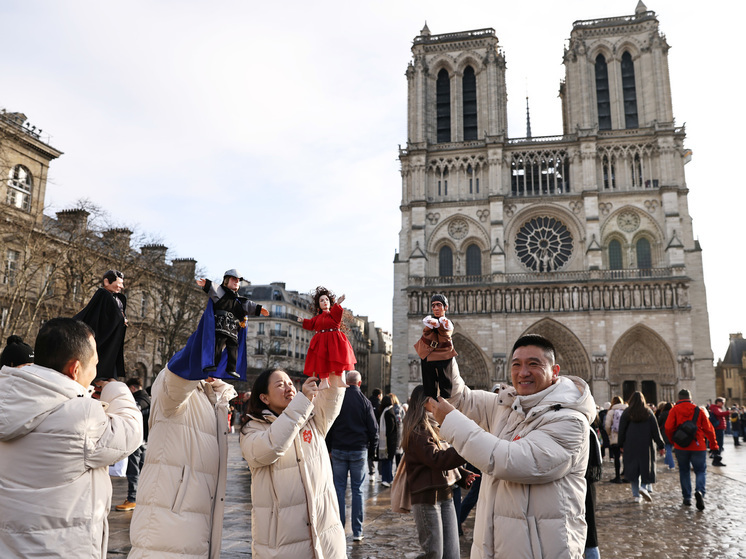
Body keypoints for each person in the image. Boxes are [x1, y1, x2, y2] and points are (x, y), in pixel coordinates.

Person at [425, 334, 596, 559]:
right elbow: (461, 400)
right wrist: (443, 351)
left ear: (555, 371)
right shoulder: (508, 407)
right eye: (517, 365)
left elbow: (509, 461)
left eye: (533, 364)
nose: (523, 372)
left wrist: (450, 421)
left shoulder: (570, 421)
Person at [0, 318, 142, 558]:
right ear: (75, 369)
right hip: (60, 550)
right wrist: (115, 388)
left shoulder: (7, 398)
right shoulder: (82, 417)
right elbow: (131, 431)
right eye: (95, 364)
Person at [127, 366, 237, 558]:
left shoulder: (217, 397)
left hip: (196, 525)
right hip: (167, 525)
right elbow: (178, 375)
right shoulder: (176, 381)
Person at [241, 368, 346, 558]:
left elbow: (332, 394)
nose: (289, 388)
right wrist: (302, 403)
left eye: (290, 383)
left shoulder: (312, 419)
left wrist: (335, 362)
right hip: (281, 543)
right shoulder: (252, 430)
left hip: (324, 535)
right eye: (280, 385)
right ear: (264, 398)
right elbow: (273, 447)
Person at [404, 385, 476, 559]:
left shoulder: (433, 425)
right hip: (427, 498)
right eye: (434, 399)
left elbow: (439, 457)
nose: (439, 402)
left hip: (445, 494)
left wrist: (462, 475)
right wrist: (466, 447)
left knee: (452, 553)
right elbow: (436, 459)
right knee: (434, 553)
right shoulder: (417, 431)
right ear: (425, 402)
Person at [326, 370, 378, 542]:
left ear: (346, 382)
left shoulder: (338, 400)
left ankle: (339, 528)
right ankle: (357, 531)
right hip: (359, 450)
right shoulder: (365, 402)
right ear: (360, 383)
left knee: (339, 489)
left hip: (339, 449)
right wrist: (372, 451)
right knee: (358, 491)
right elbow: (373, 430)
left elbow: (329, 425)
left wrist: (329, 448)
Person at [196, 269, 269, 379]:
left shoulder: (239, 301)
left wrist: (259, 309)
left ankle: (231, 368)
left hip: (233, 329)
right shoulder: (221, 293)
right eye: (234, 279)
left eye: (238, 281)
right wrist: (206, 284)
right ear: (226, 280)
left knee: (233, 347)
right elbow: (213, 288)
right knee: (218, 345)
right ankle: (212, 364)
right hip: (220, 326)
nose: (236, 282)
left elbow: (249, 305)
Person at [664, 388, 719, 510]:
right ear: (690, 397)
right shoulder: (698, 410)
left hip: (681, 446)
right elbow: (709, 429)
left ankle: (687, 498)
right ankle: (700, 492)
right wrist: (714, 445)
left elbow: (668, 427)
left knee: (684, 471)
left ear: (679, 398)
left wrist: (673, 440)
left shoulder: (674, 410)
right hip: (698, 445)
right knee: (700, 471)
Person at [298, 286, 356, 389]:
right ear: (318, 305)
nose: (325, 301)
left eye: (326, 299)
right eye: (321, 300)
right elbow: (311, 323)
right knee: (321, 361)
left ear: (330, 302)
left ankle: (340, 380)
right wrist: (303, 320)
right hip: (322, 341)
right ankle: (324, 381)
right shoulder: (317, 318)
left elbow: (337, 313)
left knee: (339, 358)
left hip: (334, 340)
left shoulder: (333, 314)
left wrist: (338, 303)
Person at [73, 269, 127, 379]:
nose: (121, 286)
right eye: (119, 283)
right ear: (107, 282)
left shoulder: (114, 298)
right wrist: (122, 319)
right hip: (102, 341)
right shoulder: (103, 295)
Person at [617, 391, 664, 503]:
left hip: (630, 444)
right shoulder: (648, 412)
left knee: (632, 469)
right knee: (646, 467)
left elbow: (621, 430)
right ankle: (643, 487)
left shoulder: (627, 412)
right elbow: (655, 431)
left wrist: (620, 444)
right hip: (645, 444)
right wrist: (661, 445)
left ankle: (637, 495)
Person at [115, 378, 151, 511]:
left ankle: (132, 499)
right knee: (142, 470)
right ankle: (141, 498)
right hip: (145, 439)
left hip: (137, 439)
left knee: (133, 471)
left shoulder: (139, 400)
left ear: (133, 388)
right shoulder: (148, 399)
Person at [414, 294, 458, 399]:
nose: (436, 308)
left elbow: (447, 329)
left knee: (445, 386)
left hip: (442, 354)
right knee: (429, 389)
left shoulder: (446, 323)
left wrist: (440, 324)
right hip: (428, 354)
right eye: (433, 306)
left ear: (445, 307)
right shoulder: (429, 321)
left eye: (438, 305)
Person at [377, 393, 404, 488]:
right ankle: (389, 478)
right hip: (391, 441)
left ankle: (387, 479)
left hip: (389, 442)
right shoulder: (389, 411)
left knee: (387, 461)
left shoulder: (387, 412)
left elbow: (390, 428)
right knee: (387, 460)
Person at [604, 395, 628, 483]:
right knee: (626, 456)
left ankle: (617, 477)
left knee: (617, 457)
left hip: (615, 437)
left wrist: (610, 434)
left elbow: (607, 425)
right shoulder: (627, 410)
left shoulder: (611, 411)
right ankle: (626, 475)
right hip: (626, 437)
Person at [708, 397, 729, 466]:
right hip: (718, 428)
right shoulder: (716, 408)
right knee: (719, 444)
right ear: (718, 402)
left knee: (719, 444)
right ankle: (716, 460)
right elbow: (719, 414)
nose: (723, 404)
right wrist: (728, 412)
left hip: (719, 428)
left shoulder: (716, 408)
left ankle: (716, 459)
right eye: (722, 402)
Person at [656, 401, 676, 469]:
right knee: (669, 447)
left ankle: (671, 465)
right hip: (673, 432)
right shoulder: (673, 413)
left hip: (665, 432)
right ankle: (667, 462)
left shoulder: (663, 414)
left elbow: (659, 423)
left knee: (668, 448)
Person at [368, 388, 383, 477]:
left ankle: (371, 473)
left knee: (370, 452)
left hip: (369, 431)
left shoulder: (368, 403)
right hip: (379, 431)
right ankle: (380, 473)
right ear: (379, 395)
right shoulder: (380, 406)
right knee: (379, 450)